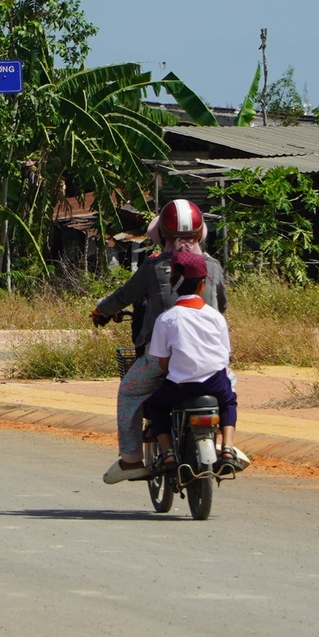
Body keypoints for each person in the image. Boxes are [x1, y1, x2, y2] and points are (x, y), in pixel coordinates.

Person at [93, 199, 228, 483]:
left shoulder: (154, 267)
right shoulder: (212, 266)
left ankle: (131, 459)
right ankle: (223, 446)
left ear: (161, 234)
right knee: (229, 393)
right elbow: (223, 306)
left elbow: (124, 296)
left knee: (129, 392)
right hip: (210, 359)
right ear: (201, 231)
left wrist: (101, 311)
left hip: (162, 359)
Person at [138, 250, 251, 472]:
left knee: (155, 405)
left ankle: (169, 455)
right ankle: (227, 448)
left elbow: (162, 362)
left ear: (173, 285)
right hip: (215, 382)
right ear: (202, 285)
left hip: (180, 385)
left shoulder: (166, 319)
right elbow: (224, 355)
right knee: (229, 402)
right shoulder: (215, 317)